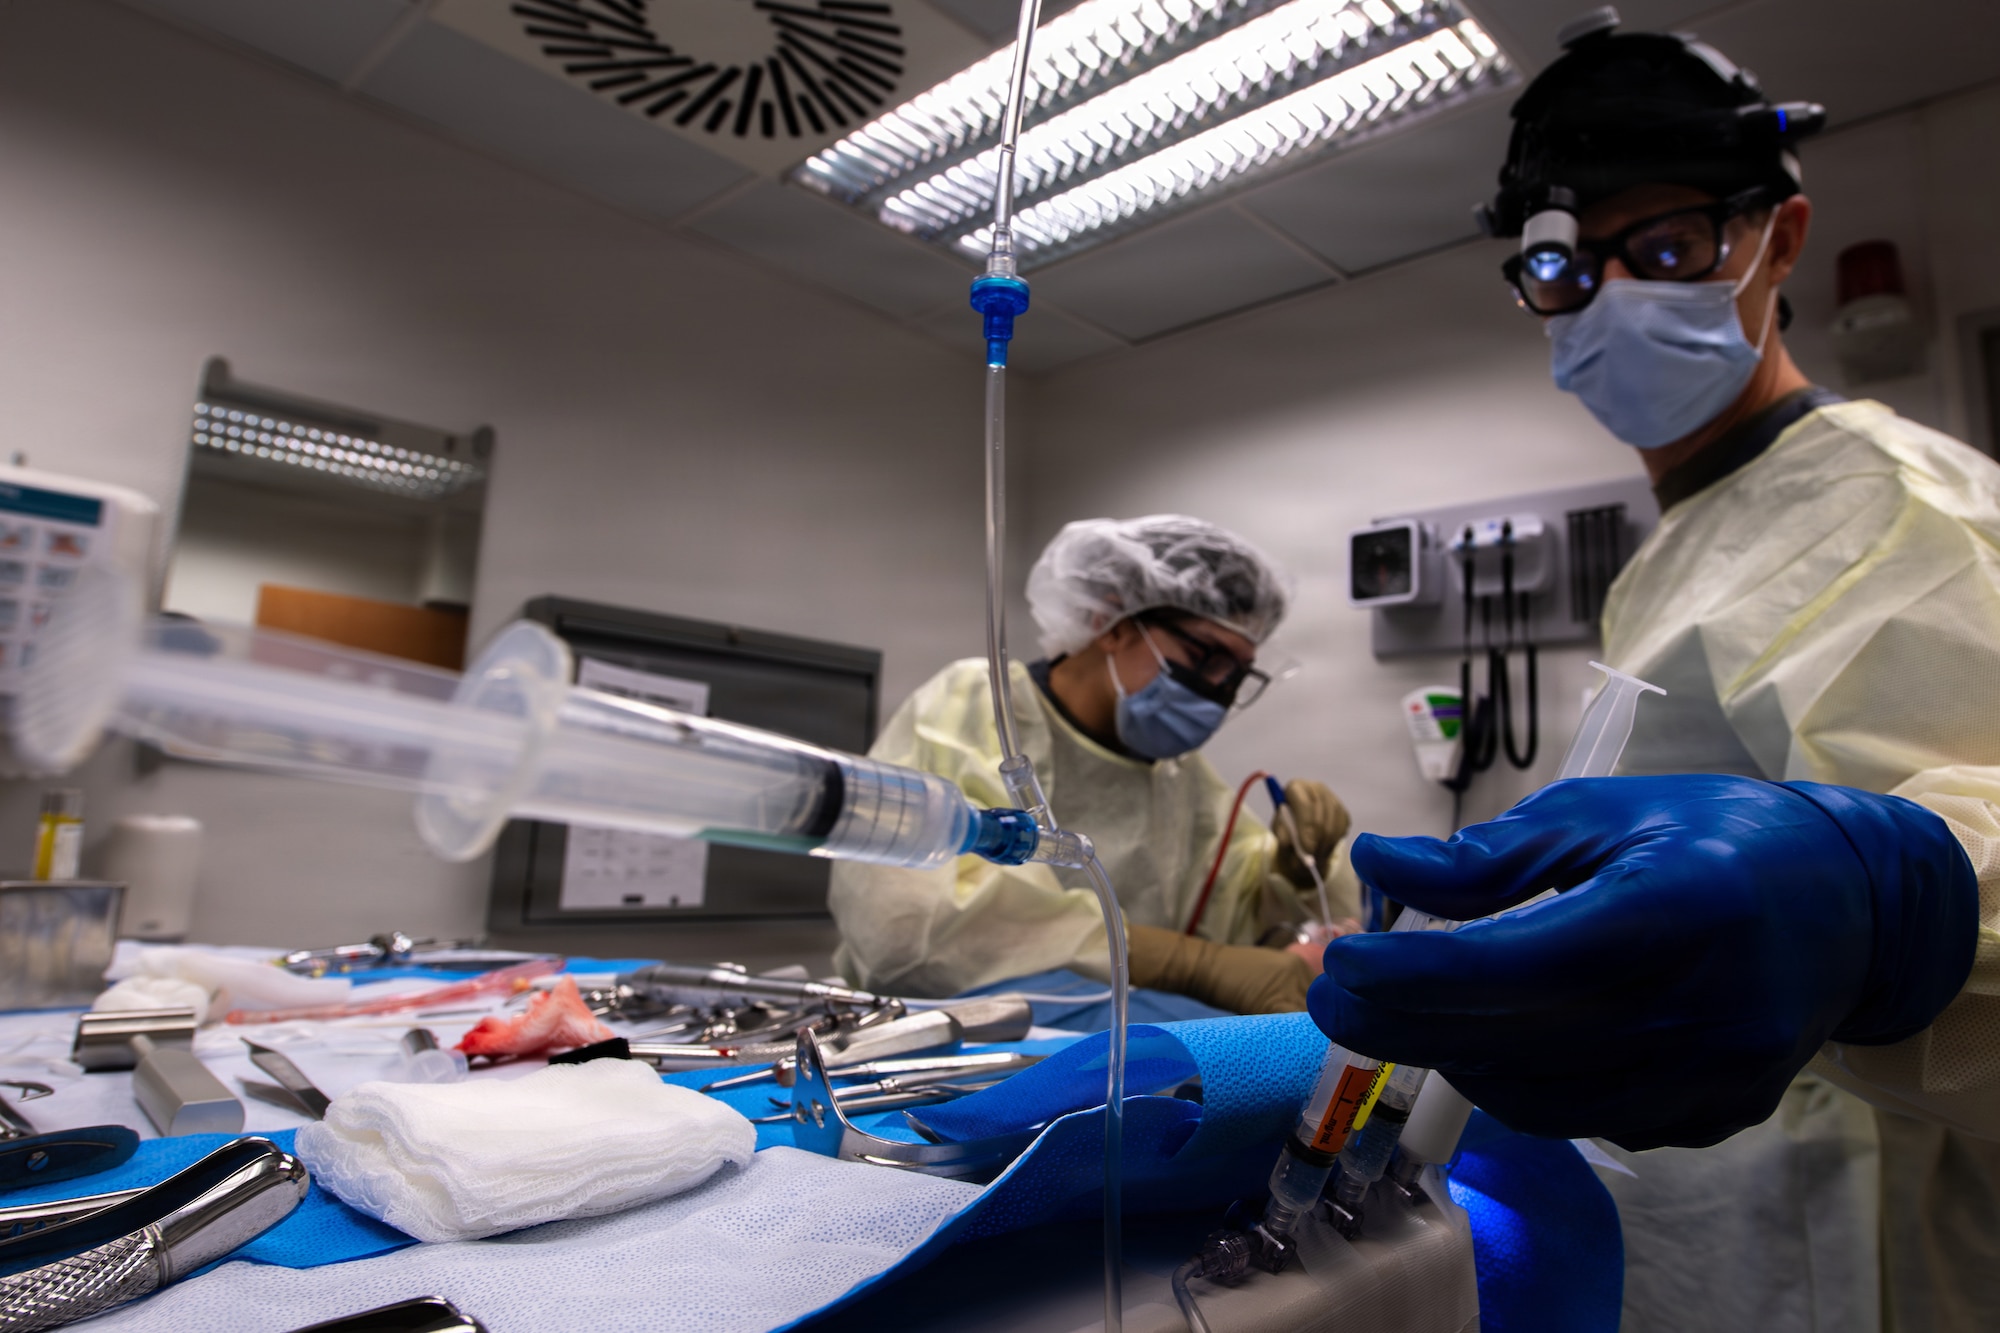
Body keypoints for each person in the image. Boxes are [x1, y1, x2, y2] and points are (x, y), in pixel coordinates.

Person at [1309, 15, 2000, 1331]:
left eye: (1671, 248)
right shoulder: (1674, 557)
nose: (1613, 297)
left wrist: (1901, 909)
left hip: (1876, 1255)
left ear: (1778, 240)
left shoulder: (1902, 513)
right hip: (1712, 1230)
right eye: (1564, 266)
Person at [831, 514, 1359, 1015]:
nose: (1218, 692)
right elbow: (909, 929)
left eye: (1238, 676)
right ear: (1112, 621)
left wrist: (1288, 868)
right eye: (1206, 658)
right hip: (950, 1032)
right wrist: (1189, 965)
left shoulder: (1178, 774)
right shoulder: (979, 707)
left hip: (1118, 1033)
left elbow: (1235, 916)